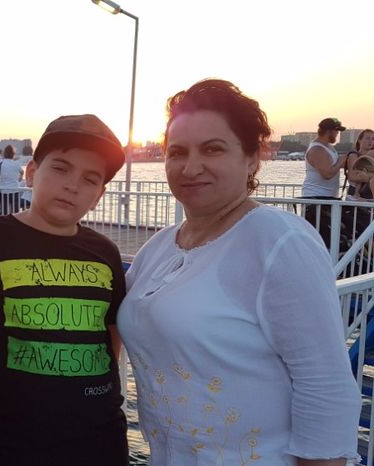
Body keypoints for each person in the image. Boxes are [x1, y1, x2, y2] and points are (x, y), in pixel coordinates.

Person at [118, 79, 360, 466]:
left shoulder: (278, 241)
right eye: (177, 152)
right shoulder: (159, 247)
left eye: (212, 149)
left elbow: (324, 384)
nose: (190, 167)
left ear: (252, 158)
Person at [0, 114, 129, 466]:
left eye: (90, 179)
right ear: (31, 172)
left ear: (99, 196)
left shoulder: (105, 252)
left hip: (100, 439)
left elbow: (110, 337)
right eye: (60, 168)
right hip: (14, 444)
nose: (72, 185)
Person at [301, 117, 348, 247]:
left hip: (327, 198)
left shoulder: (329, 148)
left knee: (331, 238)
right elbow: (327, 173)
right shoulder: (317, 149)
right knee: (320, 240)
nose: (337, 134)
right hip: (315, 199)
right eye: (336, 131)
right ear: (328, 131)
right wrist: (341, 161)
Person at [0, 144, 24, 215]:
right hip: (15, 190)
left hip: (3, 190)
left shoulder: (1, 163)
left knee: (4, 212)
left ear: (4, 153)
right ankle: (14, 221)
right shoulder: (16, 163)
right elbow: (22, 172)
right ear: (13, 154)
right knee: (16, 212)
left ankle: (4, 221)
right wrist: (20, 178)